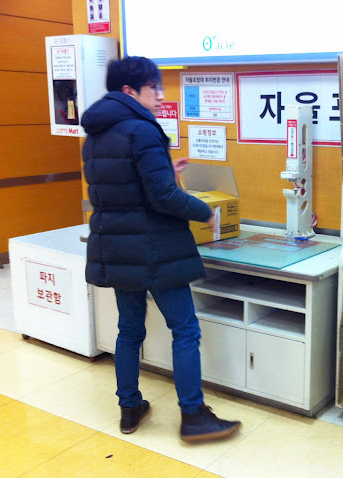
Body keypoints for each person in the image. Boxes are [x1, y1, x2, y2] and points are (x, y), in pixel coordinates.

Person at [81, 56, 241, 442]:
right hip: (155, 246)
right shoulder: (142, 129)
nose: (161, 94)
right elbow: (163, 198)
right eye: (154, 87)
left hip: (117, 246)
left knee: (129, 329)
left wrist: (167, 170)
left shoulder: (96, 134)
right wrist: (204, 211)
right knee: (184, 329)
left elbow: (123, 187)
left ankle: (129, 408)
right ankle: (193, 415)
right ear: (129, 91)